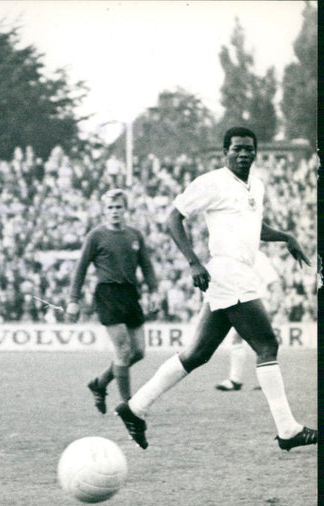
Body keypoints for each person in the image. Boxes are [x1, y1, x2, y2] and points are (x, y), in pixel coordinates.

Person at [115, 127, 316, 451]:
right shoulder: (212, 182)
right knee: (267, 344)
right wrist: (194, 262)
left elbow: (254, 227)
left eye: (249, 149)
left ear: (255, 152)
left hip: (239, 273)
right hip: (226, 272)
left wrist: (286, 237)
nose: (243, 154)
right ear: (226, 152)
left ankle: (134, 408)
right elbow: (172, 219)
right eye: (236, 148)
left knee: (197, 354)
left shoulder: (256, 185)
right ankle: (288, 430)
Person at [65, 189, 158, 415]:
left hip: (130, 293)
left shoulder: (135, 236)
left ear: (125, 209)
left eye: (118, 207)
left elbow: (146, 266)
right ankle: (129, 403)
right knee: (123, 350)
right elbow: (80, 268)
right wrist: (73, 300)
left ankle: (100, 383)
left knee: (138, 352)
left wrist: (153, 291)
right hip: (108, 293)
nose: (114, 211)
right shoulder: (96, 236)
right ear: (104, 211)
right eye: (110, 207)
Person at [215, 250, 278, 391]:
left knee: (249, 341)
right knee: (252, 341)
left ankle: (236, 380)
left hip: (259, 302)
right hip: (247, 303)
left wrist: (275, 304)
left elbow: (273, 281)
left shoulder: (257, 255)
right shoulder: (237, 256)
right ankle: (250, 380)